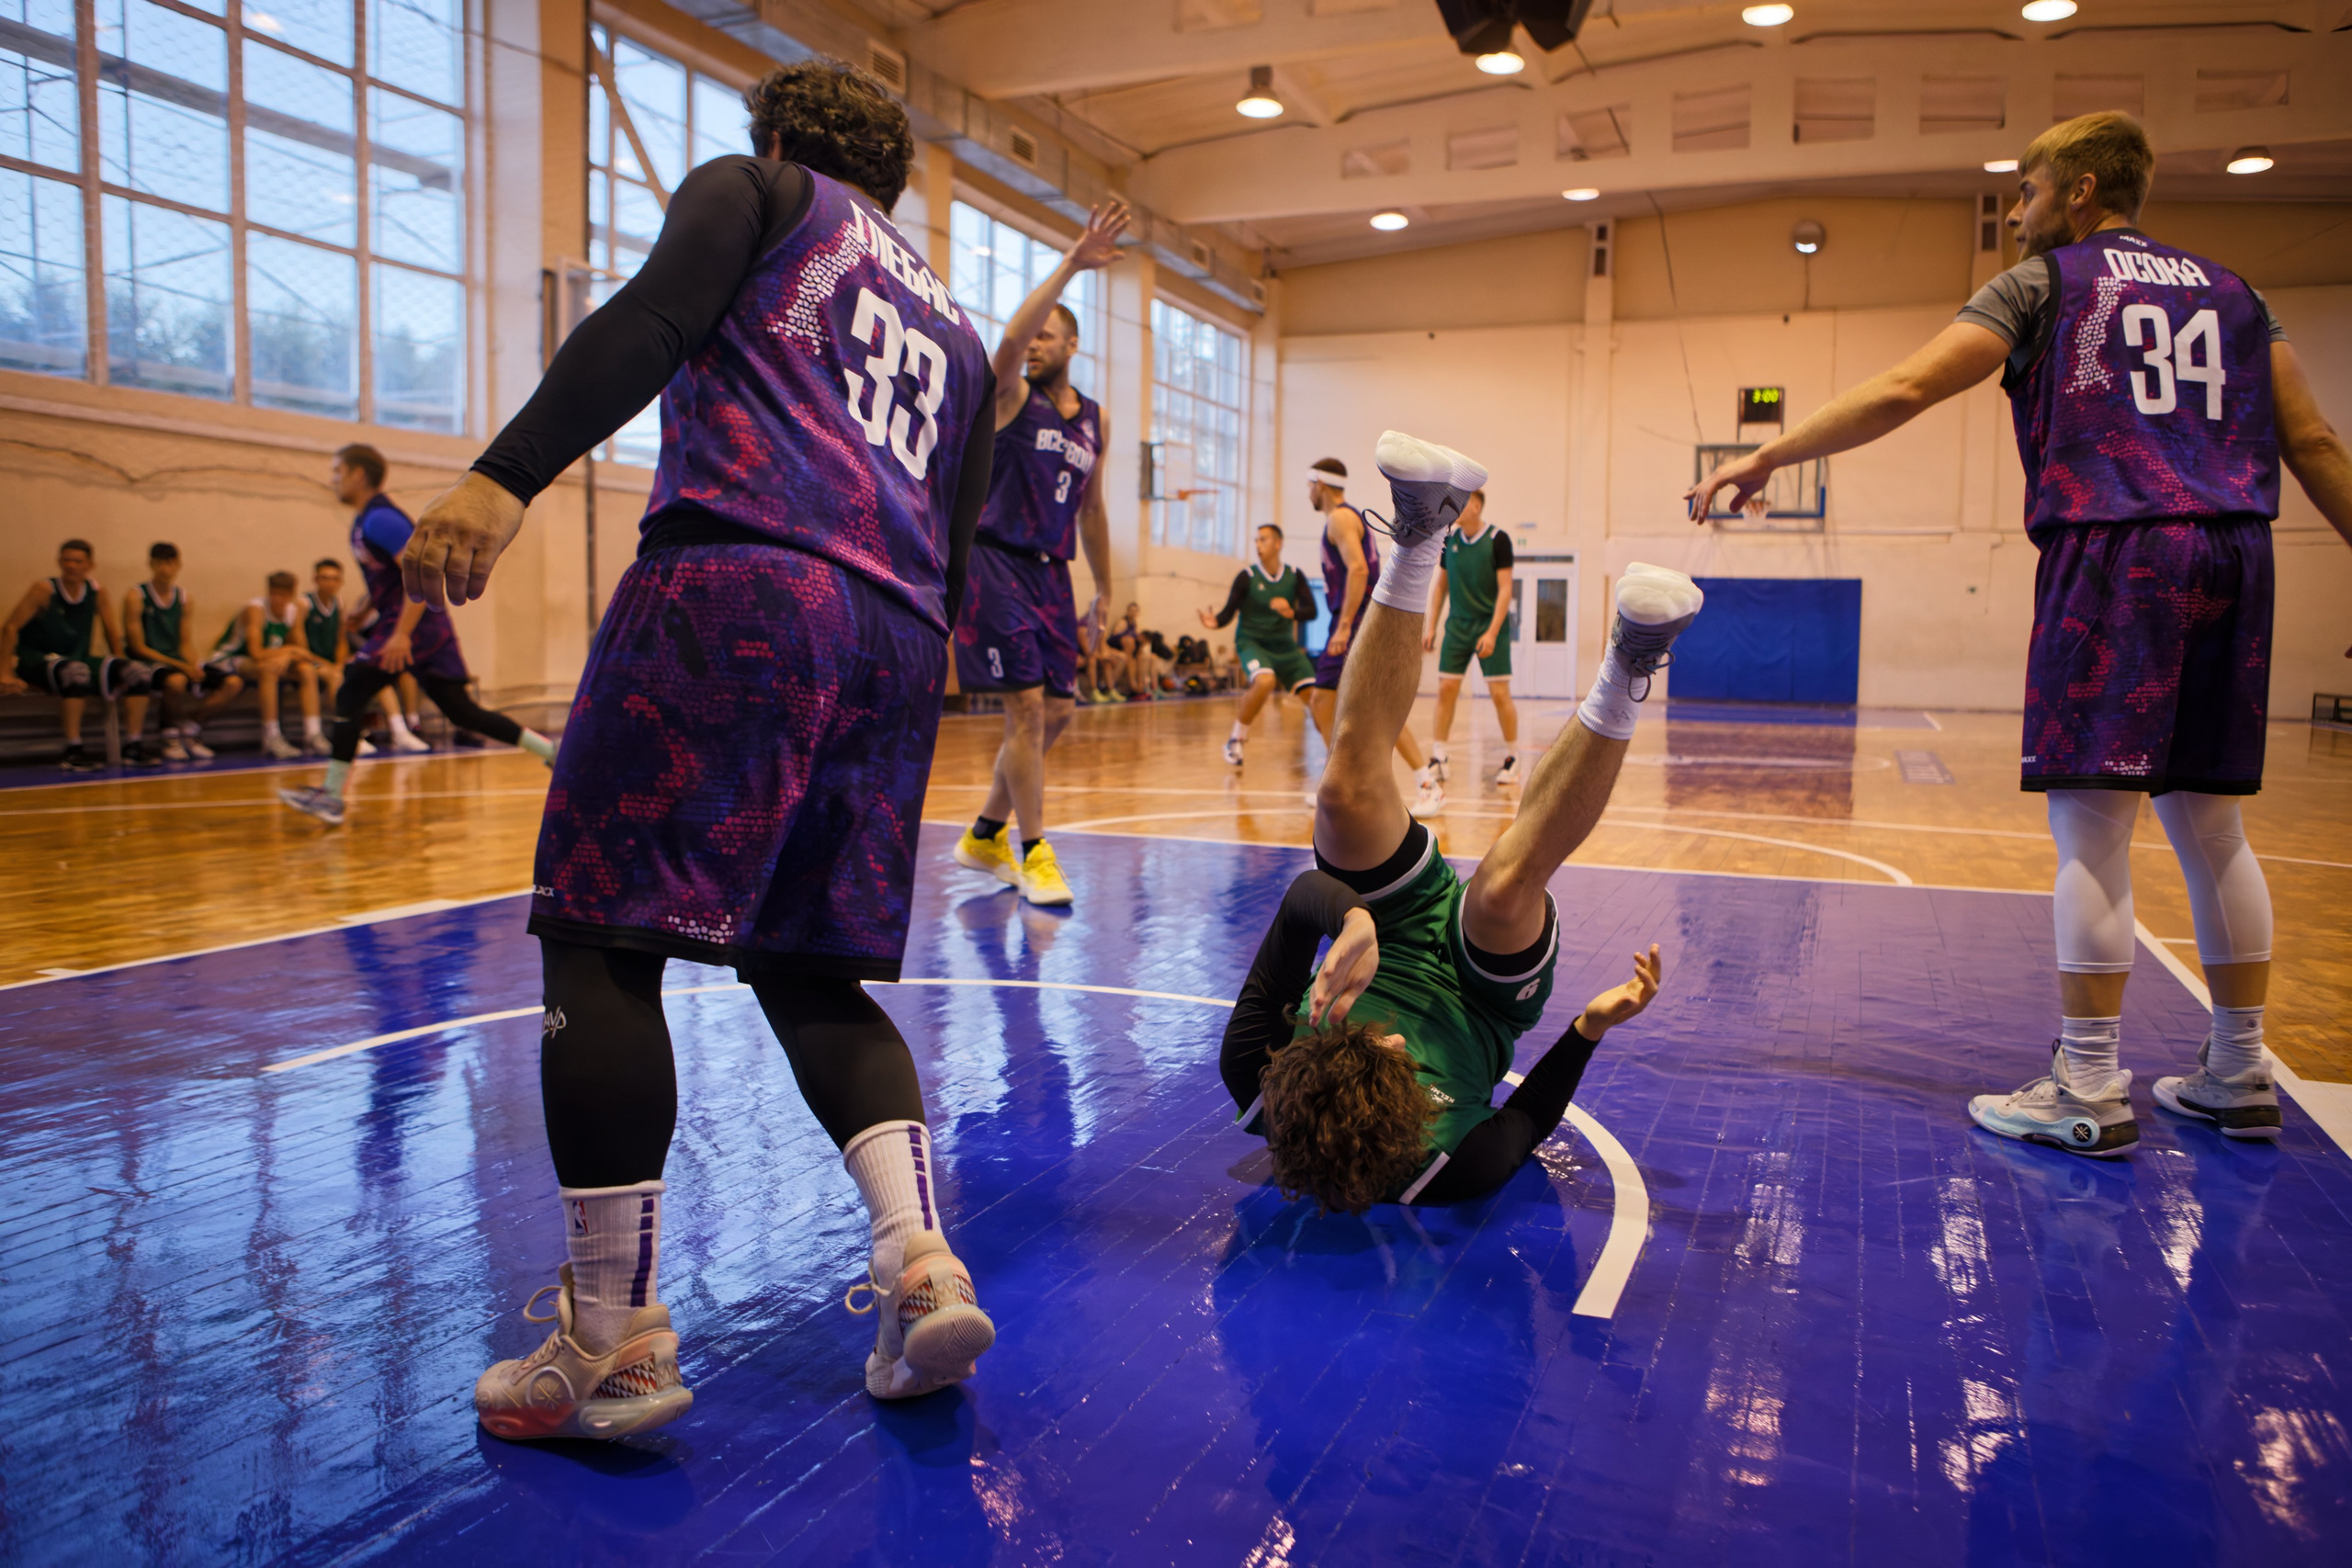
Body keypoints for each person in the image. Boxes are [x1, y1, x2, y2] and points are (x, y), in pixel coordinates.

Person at [380, 62, 1001, 1438]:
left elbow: (653, 319)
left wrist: (504, 473)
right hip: (896, 649)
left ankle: (610, 1340)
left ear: (780, 137)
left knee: (606, 940)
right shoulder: (962, 335)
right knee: (813, 972)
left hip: (746, 588)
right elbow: (955, 553)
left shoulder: (762, 192)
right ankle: (919, 1261)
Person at [1689, 112, 2352, 1156]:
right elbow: (2309, 436)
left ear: (2081, 189)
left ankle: (2087, 1082)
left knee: (2092, 828)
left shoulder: (2048, 285)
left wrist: (1765, 458)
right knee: (2211, 827)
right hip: (2236, 553)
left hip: (2121, 547)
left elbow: (1907, 386)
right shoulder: (2237, 294)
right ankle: (2238, 1068)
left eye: (2028, 190)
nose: (2015, 211)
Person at [1222, 432, 1698, 1209]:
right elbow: (1530, 1115)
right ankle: (1631, 659)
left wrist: (1349, 917)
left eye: (1367, 1039)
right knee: (1506, 885)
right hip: (1482, 996)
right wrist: (1589, 1024)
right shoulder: (1455, 1163)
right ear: (1406, 1120)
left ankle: (1419, 536)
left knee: (1342, 794)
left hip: (1386, 925)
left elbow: (1300, 897)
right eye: (1398, 1059)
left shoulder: (1254, 1069)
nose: (1396, 1035)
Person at [950, 203, 1126, 908]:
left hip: (1054, 574)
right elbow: (1009, 339)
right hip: (992, 563)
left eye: (1052, 337)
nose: (1038, 344)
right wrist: (1069, 266)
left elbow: (1092, 508)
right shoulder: (1009, 394)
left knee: (1058, 715)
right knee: (1024, 711)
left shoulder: (1095, 420)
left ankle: (986, 831)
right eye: (1037, 335)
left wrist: (1105, 589)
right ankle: (1034, 851)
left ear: (1073, 347)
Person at [279, 444, 556, 822]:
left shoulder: (382, 520)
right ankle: (553, 753)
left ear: (359, 474)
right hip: (416, 624)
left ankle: (330, 795)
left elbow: (422, 574)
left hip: (415, 625)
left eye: (338, 472)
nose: (333, 480)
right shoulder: (365, 521)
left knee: (351, 688)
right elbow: (390, 578)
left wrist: (401, 636)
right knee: (462, 711)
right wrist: (364, 607)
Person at [1304, 457, 1442, 813]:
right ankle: (1346, 776)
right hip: (1356, 617)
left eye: (1309, 485)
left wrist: (1346, 624)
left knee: (1360, 707)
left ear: (1320, 484)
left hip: (1354, 619)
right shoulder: (1342, 519)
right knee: (1332, 702)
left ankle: (1423, 782)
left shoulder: (1339, 519)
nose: (1308, 492)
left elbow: (1359, 568)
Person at [0, 539, 152, 771]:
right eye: (66, 560)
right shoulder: (43, 590)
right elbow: (10, 628)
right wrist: (5, 673)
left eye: (77, 561)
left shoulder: (97, 591)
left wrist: (121, 664)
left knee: (138, 672)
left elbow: (112, 631)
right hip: (38, 659)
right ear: (59, 562)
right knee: (76, 673)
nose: (71, 565)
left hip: (76, 657)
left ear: (90, 564)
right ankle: (73, 749)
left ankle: (133, 745)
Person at [1422, 488, 1520, 789]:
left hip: (1490, 627)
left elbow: (1506, 589)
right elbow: (1441, 587)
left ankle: (1513, 758)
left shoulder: (1498, 540)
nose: (1453, 510)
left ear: (1475, 506)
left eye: (1460, 505)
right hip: (1458, 627)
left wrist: (1491, 633)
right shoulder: (1448, 541)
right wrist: (1432, 627)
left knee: (1499, 694)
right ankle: (1439, 757)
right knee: (1446, 688)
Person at [1200, 525, 1317, 766]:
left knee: (1317, 698)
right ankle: (1236, 739)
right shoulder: (1247, 577)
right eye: (1256, 540)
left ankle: (1339, 754)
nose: (1258, 544)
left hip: (1285, 647)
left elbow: (1311, 611)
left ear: (1278, 543)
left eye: (1263, 540)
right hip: (1252, 642)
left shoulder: (1295, 575)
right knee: (1265, 681)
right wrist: (1215, 622)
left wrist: (1291, 611)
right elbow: (1228, 612)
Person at [124, 542, 242, 762]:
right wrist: (181, 666)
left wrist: (194, 664)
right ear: (151, 564)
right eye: (159, 563)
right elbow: (137, 647)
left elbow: (185, 643)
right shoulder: (136, 596)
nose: (165, 569)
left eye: (169, 563)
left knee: (232, 683)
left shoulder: (184, 598)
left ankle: (192, 728)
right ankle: (169, 735)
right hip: (148, 661)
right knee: (176, 681)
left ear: (178, 564)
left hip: (176, 661)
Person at [211, 570, 322, 759]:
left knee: (306, 670)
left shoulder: (294, 611)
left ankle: (313, 733)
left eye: (282, 595)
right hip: (233, 658)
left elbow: (302, 652)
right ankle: (271, 736)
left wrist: (289, 655)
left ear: (291, 595)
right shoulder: (256, 609)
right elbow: (256, 653)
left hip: (270, 658)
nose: (277, 599)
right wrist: (289, 652)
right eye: (273, 593)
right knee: (268, 670)